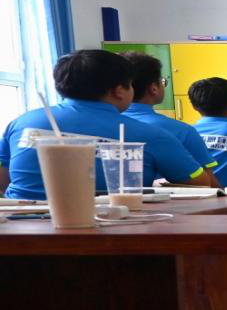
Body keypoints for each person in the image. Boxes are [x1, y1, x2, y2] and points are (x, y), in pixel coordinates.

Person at [0, 50, 214, 200]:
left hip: (16, 231)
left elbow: (4, 177)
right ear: (120, 90)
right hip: (108, 232)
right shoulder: (152, 135)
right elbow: (202, 186)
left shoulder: (22, 122)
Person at [121, 52, 220, 187]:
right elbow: (209, 185)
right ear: (154, 88)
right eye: (163, 81)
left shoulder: (101, 125)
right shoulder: (181, 131)